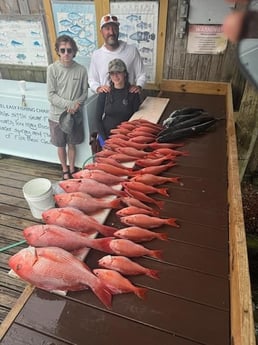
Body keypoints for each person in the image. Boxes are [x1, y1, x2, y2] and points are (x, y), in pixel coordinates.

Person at [47, 35, 88, 180]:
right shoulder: (52, 69)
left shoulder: (82, 70)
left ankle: (72, 168)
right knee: (60, 145)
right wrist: (69, 104)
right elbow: (51, 95)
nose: (66, 54)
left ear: (74, 51)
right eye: (62, 50)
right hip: (56, 116)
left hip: (74, 116)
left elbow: (84, 92)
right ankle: (64, 169)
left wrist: (77, 104)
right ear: (58, 51)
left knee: (72, 144)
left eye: (69, 50)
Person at [88, 14, 146, 94]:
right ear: (101, 32)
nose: (111, 32)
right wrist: (98, 88)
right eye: (107, 29)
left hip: (128, 101)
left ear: (118, 30)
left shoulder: (132, 50)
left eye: (114, 28)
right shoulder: (96, 55)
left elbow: (141, 74)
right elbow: (92, 80)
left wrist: (139, 86)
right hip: (106, 102)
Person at [94, 58, 141, 142]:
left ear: (125, 74)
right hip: (106, 135)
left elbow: (137, 120)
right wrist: (104, 140)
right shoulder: (104, 93)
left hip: (126, 137)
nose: (115, 76)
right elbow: (97, 119)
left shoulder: (133, 93)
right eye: (112, 73)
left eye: (118, 72)